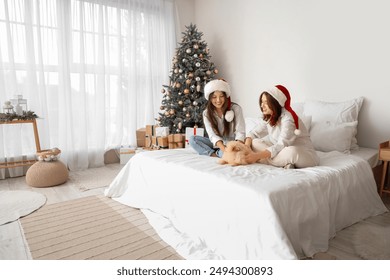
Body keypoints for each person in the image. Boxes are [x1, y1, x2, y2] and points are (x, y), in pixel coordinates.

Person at [245, 85, 319, 168]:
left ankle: (269, 161)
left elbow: (281, 144)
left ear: (275, 103)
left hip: (304, 154)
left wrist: (256, 156)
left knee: (292, 151)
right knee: (255, 142)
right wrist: (247, 147)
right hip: (281, 152)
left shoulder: (288, 118)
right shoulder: (270, 116)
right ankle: (283, 163)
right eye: (262, 102)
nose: (262, 106)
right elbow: (253, 133)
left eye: (266, 102)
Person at [189, 79, 247, 158]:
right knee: (193, 139)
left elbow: (240, 131)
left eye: (221, 96)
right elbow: (212, 135)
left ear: (226, 96)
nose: (218, 100)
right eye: (214, 97)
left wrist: (236, 148)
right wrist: (224, 149)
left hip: (232, 143)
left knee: (229, 154)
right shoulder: (206, 113)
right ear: (210, 98)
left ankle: (221, 153)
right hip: (217, 143)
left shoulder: (236, 109)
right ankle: (214, 154)